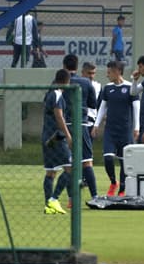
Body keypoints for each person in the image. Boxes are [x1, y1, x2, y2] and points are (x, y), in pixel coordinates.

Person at [93, 59, 138, 196]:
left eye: (109, 72)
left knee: (124, 161)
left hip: (125, 130)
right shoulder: (107, 88)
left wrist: (137, 127)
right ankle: (113, 182)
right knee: (108, 157)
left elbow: (136, 108)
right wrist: (96, 125)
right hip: (110, 131)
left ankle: (122, 189)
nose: (107, 75)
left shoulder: (131, 87)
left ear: (118, 72)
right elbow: (102, 108)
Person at [63, 53, 99, 200]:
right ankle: (95, 196)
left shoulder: (59, 81)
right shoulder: (85, 83)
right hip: (82, 124)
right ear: (77, 67)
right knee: (86, 162)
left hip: (65, 125)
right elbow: (93, 104)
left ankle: (72, 198)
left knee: (68, 163)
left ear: (64, 66)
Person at [41, 69, 73, 215]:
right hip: (56, 137)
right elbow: (59, 116)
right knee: (70, 168)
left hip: (47, 136)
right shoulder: (56, 93)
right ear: (66, 81)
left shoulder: (50, 92)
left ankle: (48, 205)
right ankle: (54, 198)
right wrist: (68, 135)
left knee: (51, 172)